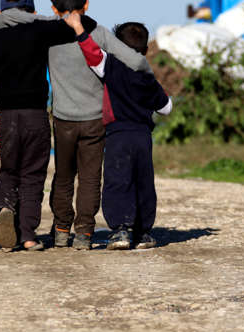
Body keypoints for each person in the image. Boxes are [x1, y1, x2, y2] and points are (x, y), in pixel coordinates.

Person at [0, 0, 97, 251]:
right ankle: (27, 235)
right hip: (35, 116)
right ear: (32, 11)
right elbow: (86, 24)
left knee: (9, 170)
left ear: (0, 13)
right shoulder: (40, 31)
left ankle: (4, 207)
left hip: (6, 117)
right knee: (33, 175)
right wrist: (45, 21)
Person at [47, 0, 153, 250]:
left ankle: (60, 230)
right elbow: (137, 61)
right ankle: (84, 233)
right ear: (87, 4)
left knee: (63, 176)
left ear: (54, 8)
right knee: (91, 179)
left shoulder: (47, 35)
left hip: (62, 119)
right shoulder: (100, 33)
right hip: (95, 120)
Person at [64, 13, 172, 250]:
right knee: (143, 182)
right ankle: (144, 233)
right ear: (144, 50)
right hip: (143, 137)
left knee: (117, 181)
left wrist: (78, 28)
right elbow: (166, 107)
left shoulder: (110, 66)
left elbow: (92, 53)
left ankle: (121, 230)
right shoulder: (146, 76)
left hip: (117, 135)